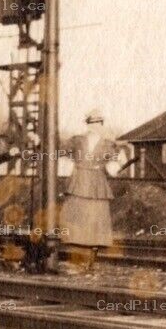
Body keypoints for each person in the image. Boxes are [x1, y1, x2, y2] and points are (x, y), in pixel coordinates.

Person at [60, 111, 127, 272]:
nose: (95, 126)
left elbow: (116, 166)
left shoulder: (110, 145)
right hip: (78, 182)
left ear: (101, 125)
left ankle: (89, 260)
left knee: (96, 222)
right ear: (88, 124)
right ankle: (77, 260)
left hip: (97, 184)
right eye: (92, 123)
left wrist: (119, 162)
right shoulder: (76, 141)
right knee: (75, 220)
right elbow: (60, 152)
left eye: (98, 123)